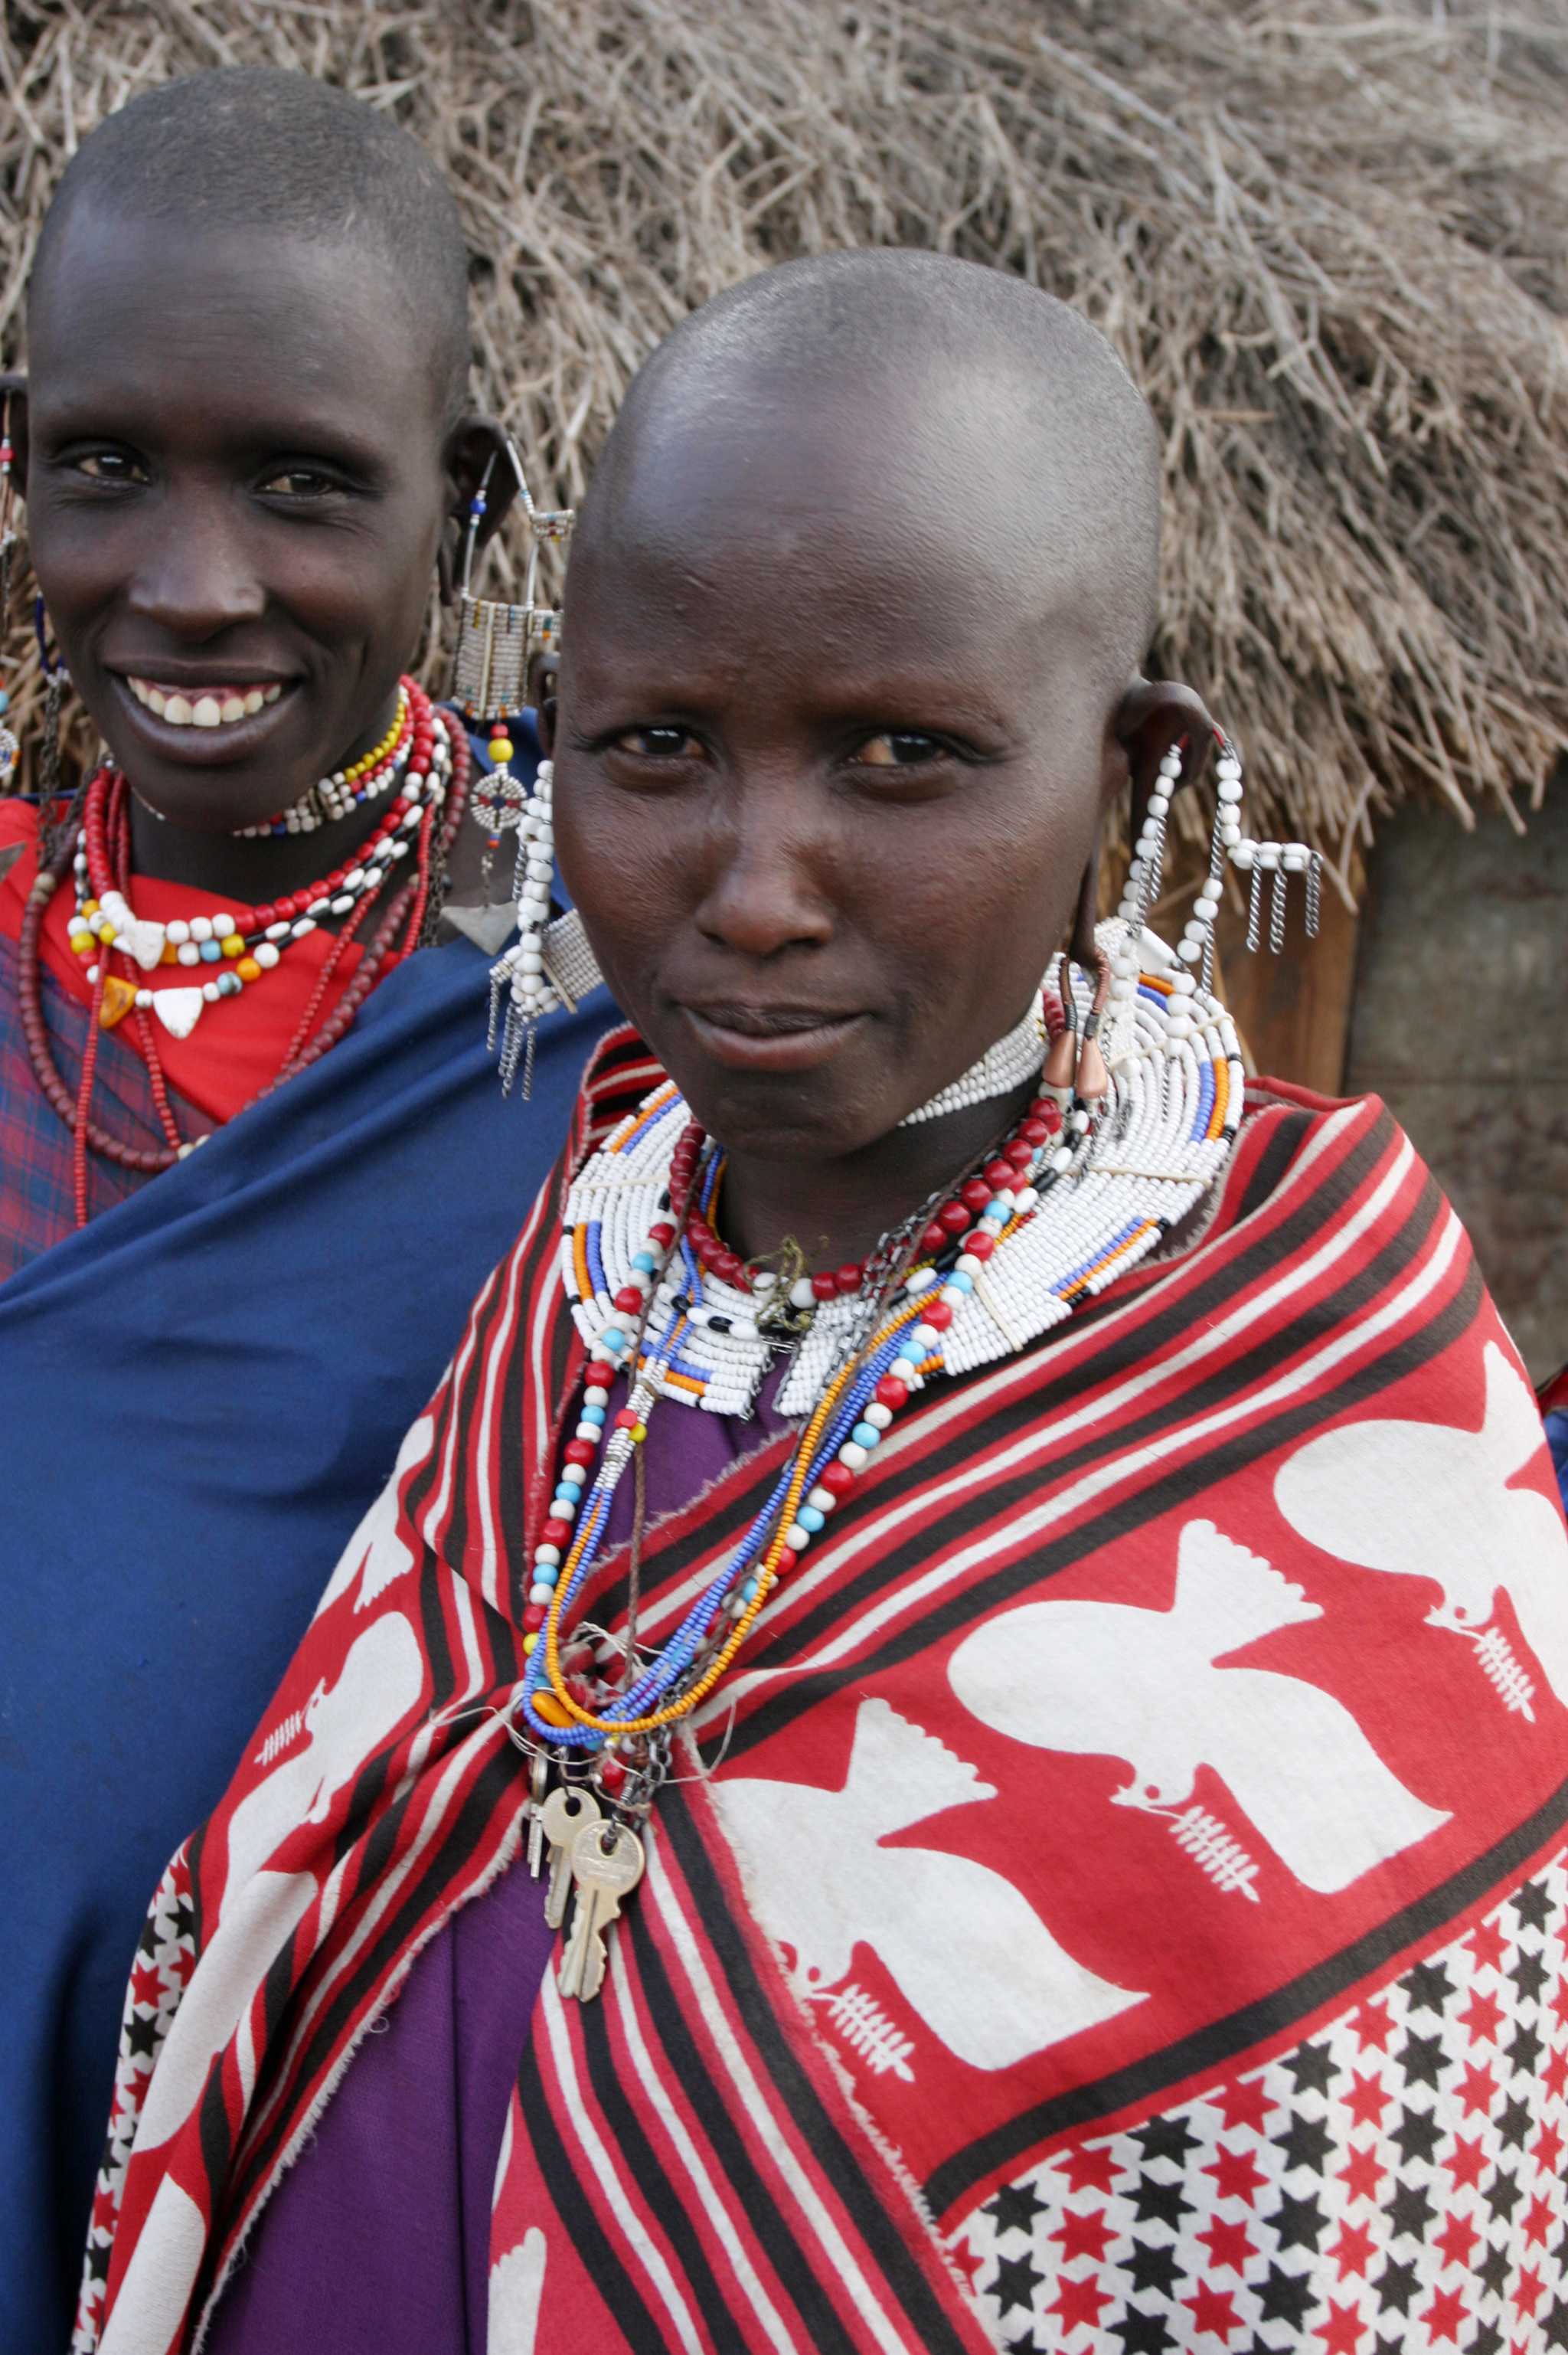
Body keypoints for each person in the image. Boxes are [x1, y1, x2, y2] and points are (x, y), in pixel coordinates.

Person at [81, 253, 1568, 2355]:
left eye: (899, 755)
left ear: (1130, 778)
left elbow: (1361, 2236)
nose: (757, 887)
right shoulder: (591, 1268)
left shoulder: (1330, 1413)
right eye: (658, 744)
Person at [0, 70, 609, 2349]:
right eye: (105, 469)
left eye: (302, 484)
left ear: (463, 500)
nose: (191, 584)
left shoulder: (614, 1018)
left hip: (344, 2171)